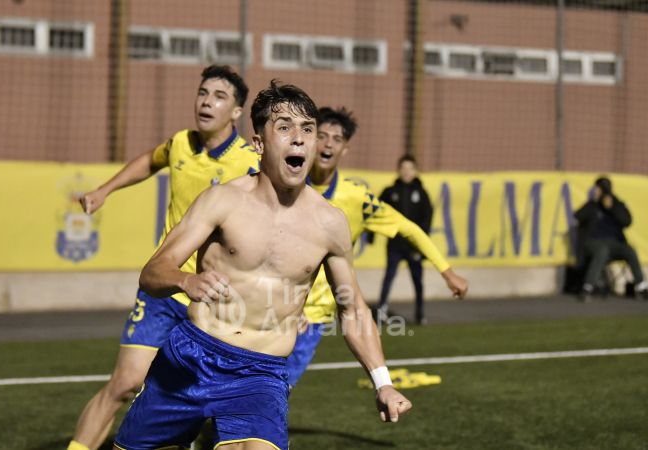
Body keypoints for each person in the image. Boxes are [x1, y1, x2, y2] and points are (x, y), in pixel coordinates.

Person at [113, 81, 412, 450]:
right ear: (258, 144)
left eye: (307, 130)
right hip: (192, 357)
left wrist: (383, 382)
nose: (299, 139)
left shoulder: (329, 223)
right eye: (284, 128)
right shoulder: (221, 201)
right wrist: (184, 281)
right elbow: (152, 273)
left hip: (260, 373)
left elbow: (352, 309)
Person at [67, 65, 259, 450]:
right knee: (124, 384)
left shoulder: (248, 160)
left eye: (220, 96)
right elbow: (150, 161)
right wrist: (106, 190)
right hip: (163, 288)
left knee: (214, 399)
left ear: (237, 112)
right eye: (203, 92)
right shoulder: (180, 144)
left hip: (215, 299)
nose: (207, 101)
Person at [286, 107, 468, 387]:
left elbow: (409, 228)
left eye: (336, 139)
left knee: (274, 389)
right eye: (321, 135)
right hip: (268, 304)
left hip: (312, 316)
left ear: (345, 149)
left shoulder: (357, 198)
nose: (328, 143)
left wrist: (447, 272)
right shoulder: (283, 182)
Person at [574, 176, 648, 302]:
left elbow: (627, 221)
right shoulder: (593, 205)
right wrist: (593, 203)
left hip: (615, 243)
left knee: (630, 251)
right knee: (602, 250)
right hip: (594, 242)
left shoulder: (616, 204)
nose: (596, 191)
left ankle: (641, 287)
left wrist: (612, 208)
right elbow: (578, 216)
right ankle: (587, 288)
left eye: (598, 189)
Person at [376, 155, 434, 325]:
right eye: (404, 168)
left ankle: (420, 313)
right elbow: (376, 211)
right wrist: (372, 235)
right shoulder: (390, 191)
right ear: (398, 170)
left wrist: (422, 243)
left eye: (410, 169)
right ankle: (382, 312)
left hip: (414, 246)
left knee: (417, 281)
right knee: (389, 276)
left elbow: (427, 218)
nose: (407, 172)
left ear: (415, 171)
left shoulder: (421, 193)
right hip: (395, 244)